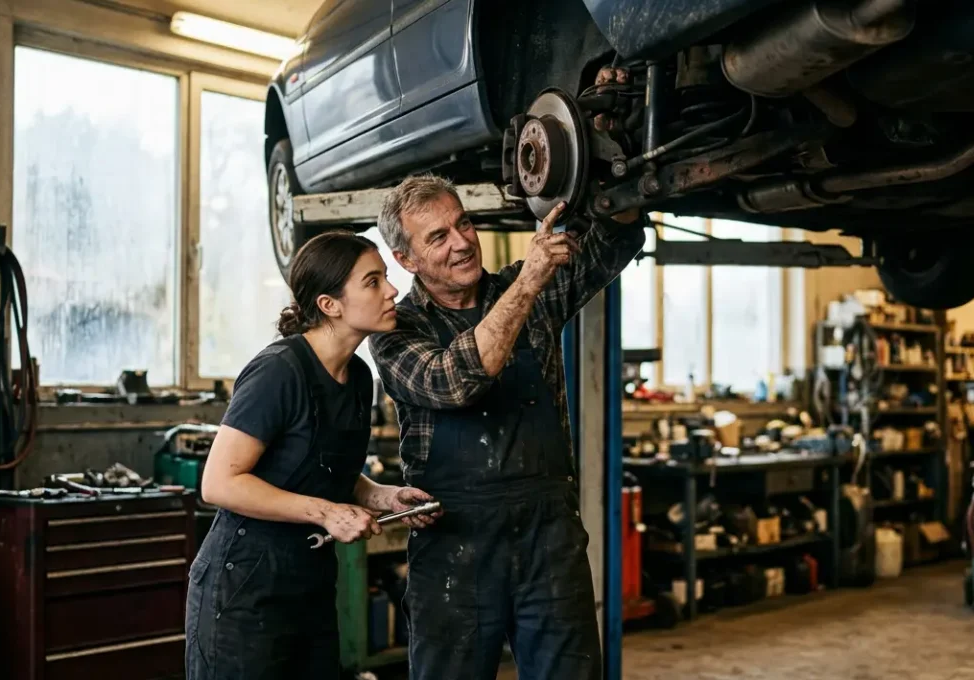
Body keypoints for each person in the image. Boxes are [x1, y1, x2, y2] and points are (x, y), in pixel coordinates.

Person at [369, 173, 647, 679]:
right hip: (455, 543)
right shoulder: (395, 331)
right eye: (438, 237)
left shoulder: (529, 288)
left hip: (549, 538)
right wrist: (527, 283)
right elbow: (453, 382)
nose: (461, 243)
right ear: (405, 260)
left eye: (464, 223)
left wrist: (615, 172)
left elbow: (614, 241)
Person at [185, 230, 440, 679]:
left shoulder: (358, 376)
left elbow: (326, 469)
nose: (392, 291)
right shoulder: (279, 371)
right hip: (244, 589)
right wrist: (326, 513)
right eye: (373, 281)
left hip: (310, 586)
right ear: (329, 304)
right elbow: (219, 483)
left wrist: (384, 497)